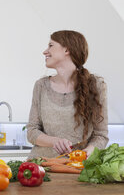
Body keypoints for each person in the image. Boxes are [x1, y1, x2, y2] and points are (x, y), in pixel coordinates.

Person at [26, 30, 108, 159]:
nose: (45, 51)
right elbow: (31, 131)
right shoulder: (41, 86)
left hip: (77, 169)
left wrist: (86, 153)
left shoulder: (96, 85)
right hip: (40, 167)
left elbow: (101, 135)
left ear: (66, 50)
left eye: (51, 46)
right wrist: (54, 141)